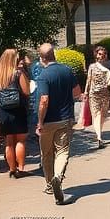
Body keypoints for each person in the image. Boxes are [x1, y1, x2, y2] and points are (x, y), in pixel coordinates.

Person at [36, 43, 81, 205]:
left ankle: (49, 184)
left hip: (48, 121)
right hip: (65, 118)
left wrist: (40, 122)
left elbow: (44, 100)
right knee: (62, 151)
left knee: (46, 154)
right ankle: (58, 176)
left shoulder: (43, 76)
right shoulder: (67, 70)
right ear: (54, 54)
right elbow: (77, 93)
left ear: (42, 58)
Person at [0, 48, 30, 177]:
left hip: (4, 112)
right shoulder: (18, 73)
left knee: (8, 142)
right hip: (18, 110)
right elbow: (26, 91)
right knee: (20, 141)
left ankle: (12, 169)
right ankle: (20, 168)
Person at [84, 46, 110, 148]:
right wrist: (86, 92)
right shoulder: (92, 66)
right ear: (96, 55)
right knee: (96, 114)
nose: (101, 56)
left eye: (103, 54)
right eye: (99, 54)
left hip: (105, 94)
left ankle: (99, 132)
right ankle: (99, 137)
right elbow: (89, 79)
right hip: (94, 94)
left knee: (103, 115)